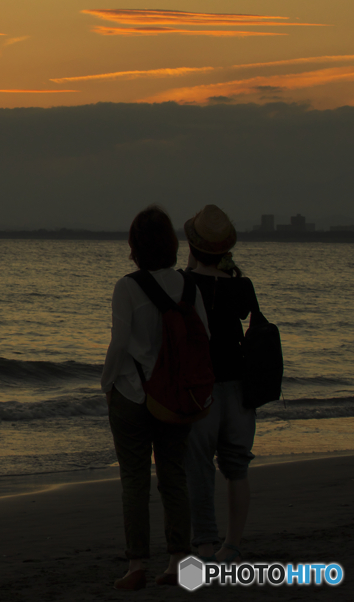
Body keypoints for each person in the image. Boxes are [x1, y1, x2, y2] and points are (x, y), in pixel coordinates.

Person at [100, 204, 209, 590]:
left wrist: (107, 385)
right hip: (176, 397)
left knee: (134, 480)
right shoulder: (190, 286)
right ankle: (179, 560)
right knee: (173, 477)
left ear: (134, 246)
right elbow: (203, 341)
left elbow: (118, 345)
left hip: (132, 394)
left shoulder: (127, 287)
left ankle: (136, 565)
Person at [182, 204, 259, 564]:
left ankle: (206, 546)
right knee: (236, 468)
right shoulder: (243, 286)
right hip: (241, 387)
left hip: (203, 387)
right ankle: (233, 545)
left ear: (193, 247)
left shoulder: (187, 284)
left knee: (199, 467)